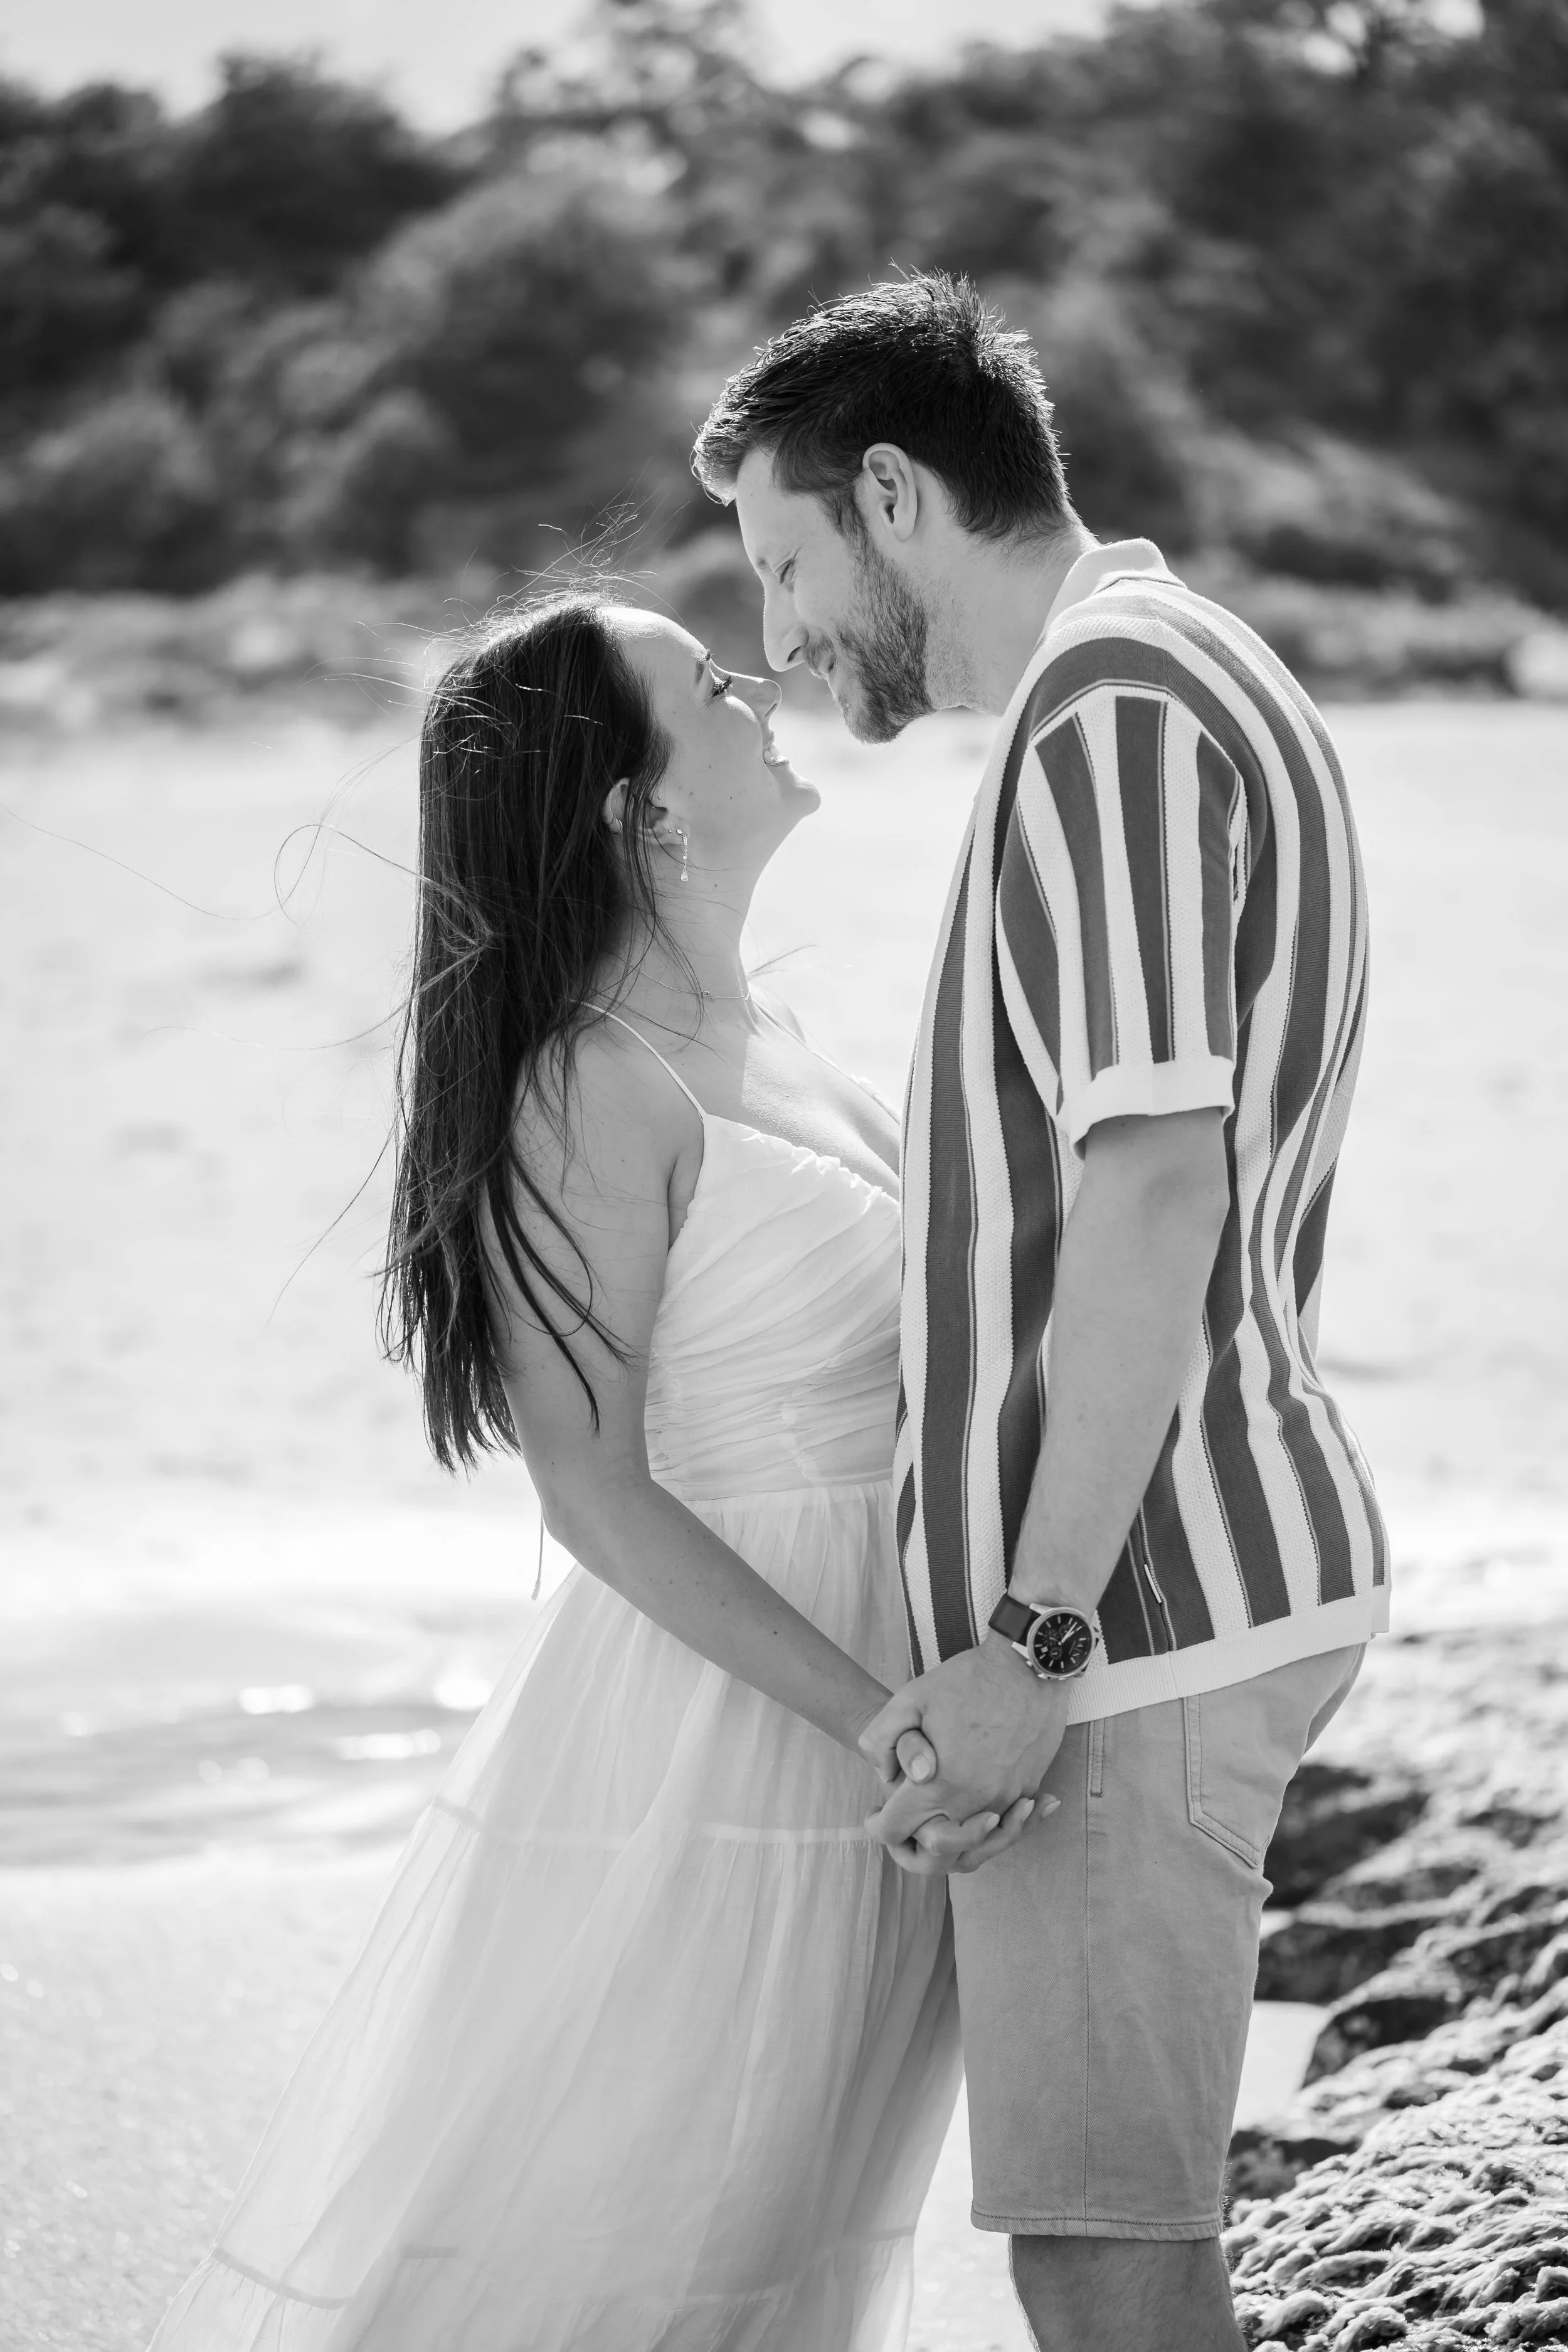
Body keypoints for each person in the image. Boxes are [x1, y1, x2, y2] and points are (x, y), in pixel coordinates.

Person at [147, 591, 1032, 2352]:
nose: (762, 684)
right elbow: (591, 1487)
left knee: (783, 2240)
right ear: (635, 806)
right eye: (707, 685)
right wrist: (882, 1717)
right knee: (650, 2236)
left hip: (880, 1697)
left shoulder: (784, 1043)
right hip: (729, 1724)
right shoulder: (588, 1086)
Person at [694, 272, 1389, 2352]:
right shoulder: (1180, 667)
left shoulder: (1110, 712)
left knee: (1101, 2250)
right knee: (1113, 2225)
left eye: (789, 559)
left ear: (894, 495)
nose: (783, 634)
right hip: (1181, 1579)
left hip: (1141, 1614)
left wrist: (1030, 1639)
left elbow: (1157, 1183)